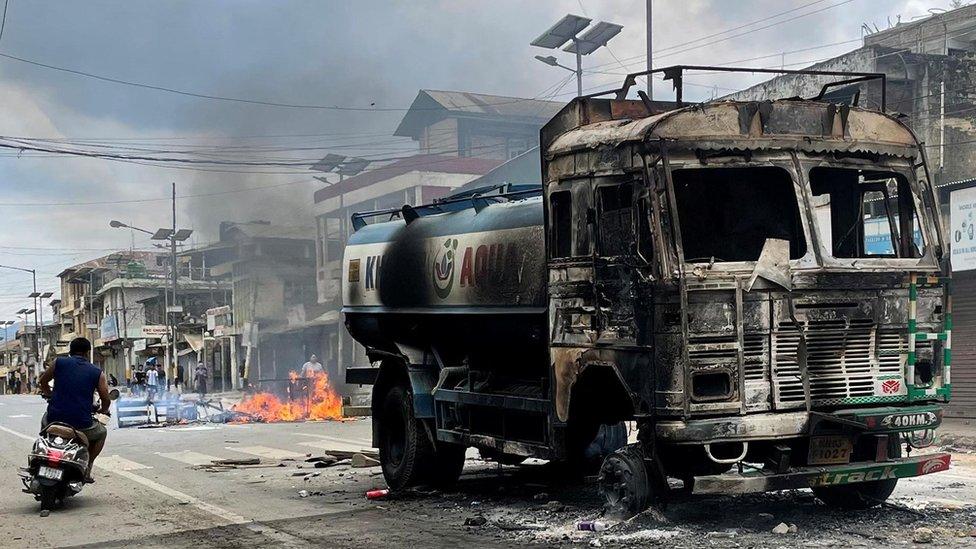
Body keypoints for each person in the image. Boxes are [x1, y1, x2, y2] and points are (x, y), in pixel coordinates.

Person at [37, 337, 110, 484]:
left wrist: (49, 395)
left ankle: (41, 456)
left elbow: (43, 382)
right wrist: (103, 410)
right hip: (81, 423)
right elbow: (106, 398)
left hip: (54, 418)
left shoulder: (59, 362)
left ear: (70, 350)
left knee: (44, 428)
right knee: (102, 433)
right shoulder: (97, 372)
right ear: (88, 352)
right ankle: (88, 467)